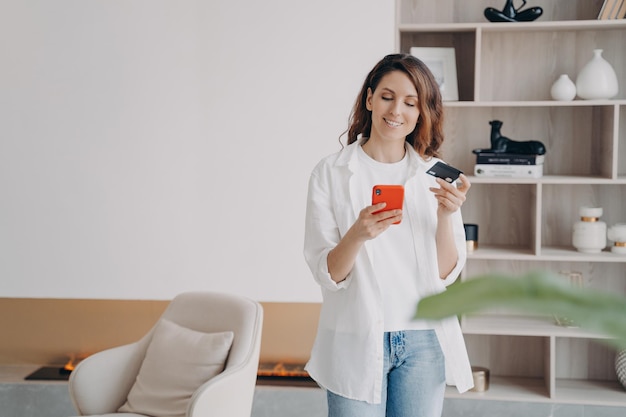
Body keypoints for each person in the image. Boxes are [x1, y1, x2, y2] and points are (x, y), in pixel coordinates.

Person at [303, 53, 474, 417]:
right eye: (387, 96)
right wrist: (357, 235)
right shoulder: (331, 173)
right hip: (356, 338)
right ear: (369, 99)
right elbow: (327, 273)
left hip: (424, 341)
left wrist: (447, 215)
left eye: (410, 102)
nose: (397, 110)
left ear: (421, 112)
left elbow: (445, 275)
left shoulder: (435, 174)